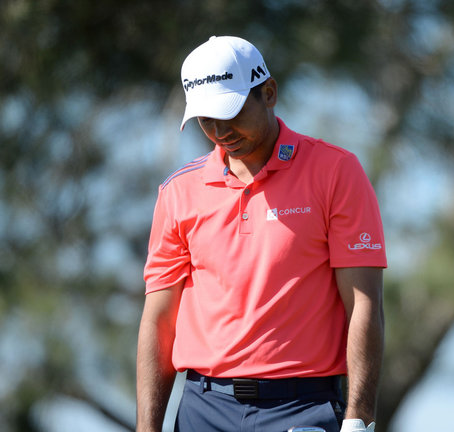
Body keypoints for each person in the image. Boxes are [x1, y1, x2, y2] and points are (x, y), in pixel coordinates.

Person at [136, 35, 386, 432]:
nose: (220, 130)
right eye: (205, 119)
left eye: (229, 112)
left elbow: (363, 305)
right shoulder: (178, 191)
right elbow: (160, 320)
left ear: (269, 93)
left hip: (303, 407)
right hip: (202, 409)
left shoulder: (335, 172)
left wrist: (360, 418)